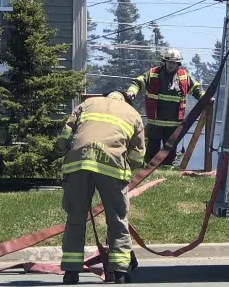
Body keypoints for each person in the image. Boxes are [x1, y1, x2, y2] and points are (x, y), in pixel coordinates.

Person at [57, 90, 146, 285]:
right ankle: (121, 272)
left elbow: (65, 134)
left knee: (76, 219)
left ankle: (71, 272)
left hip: (78, 164)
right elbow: (138, 155)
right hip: (112, 167)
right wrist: (128, 166)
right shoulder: (132, 114)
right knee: (117, 220)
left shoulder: (88, 104)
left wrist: (63, 149)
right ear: (124, 100)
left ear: (106, 97)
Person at [125, 48, 208, 166]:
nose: (171, 65)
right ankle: (148, 170)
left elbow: (196, 89)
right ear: (164, 62)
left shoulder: (184, 76)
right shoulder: (153, 73)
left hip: (173, 124)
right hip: (155, 122)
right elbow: (138, 82)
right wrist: (131, 92)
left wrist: (205, 98)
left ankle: (166, 172)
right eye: (169, 62)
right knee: (152, 149)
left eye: (174, 63)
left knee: (170, 151)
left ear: (178, 64)